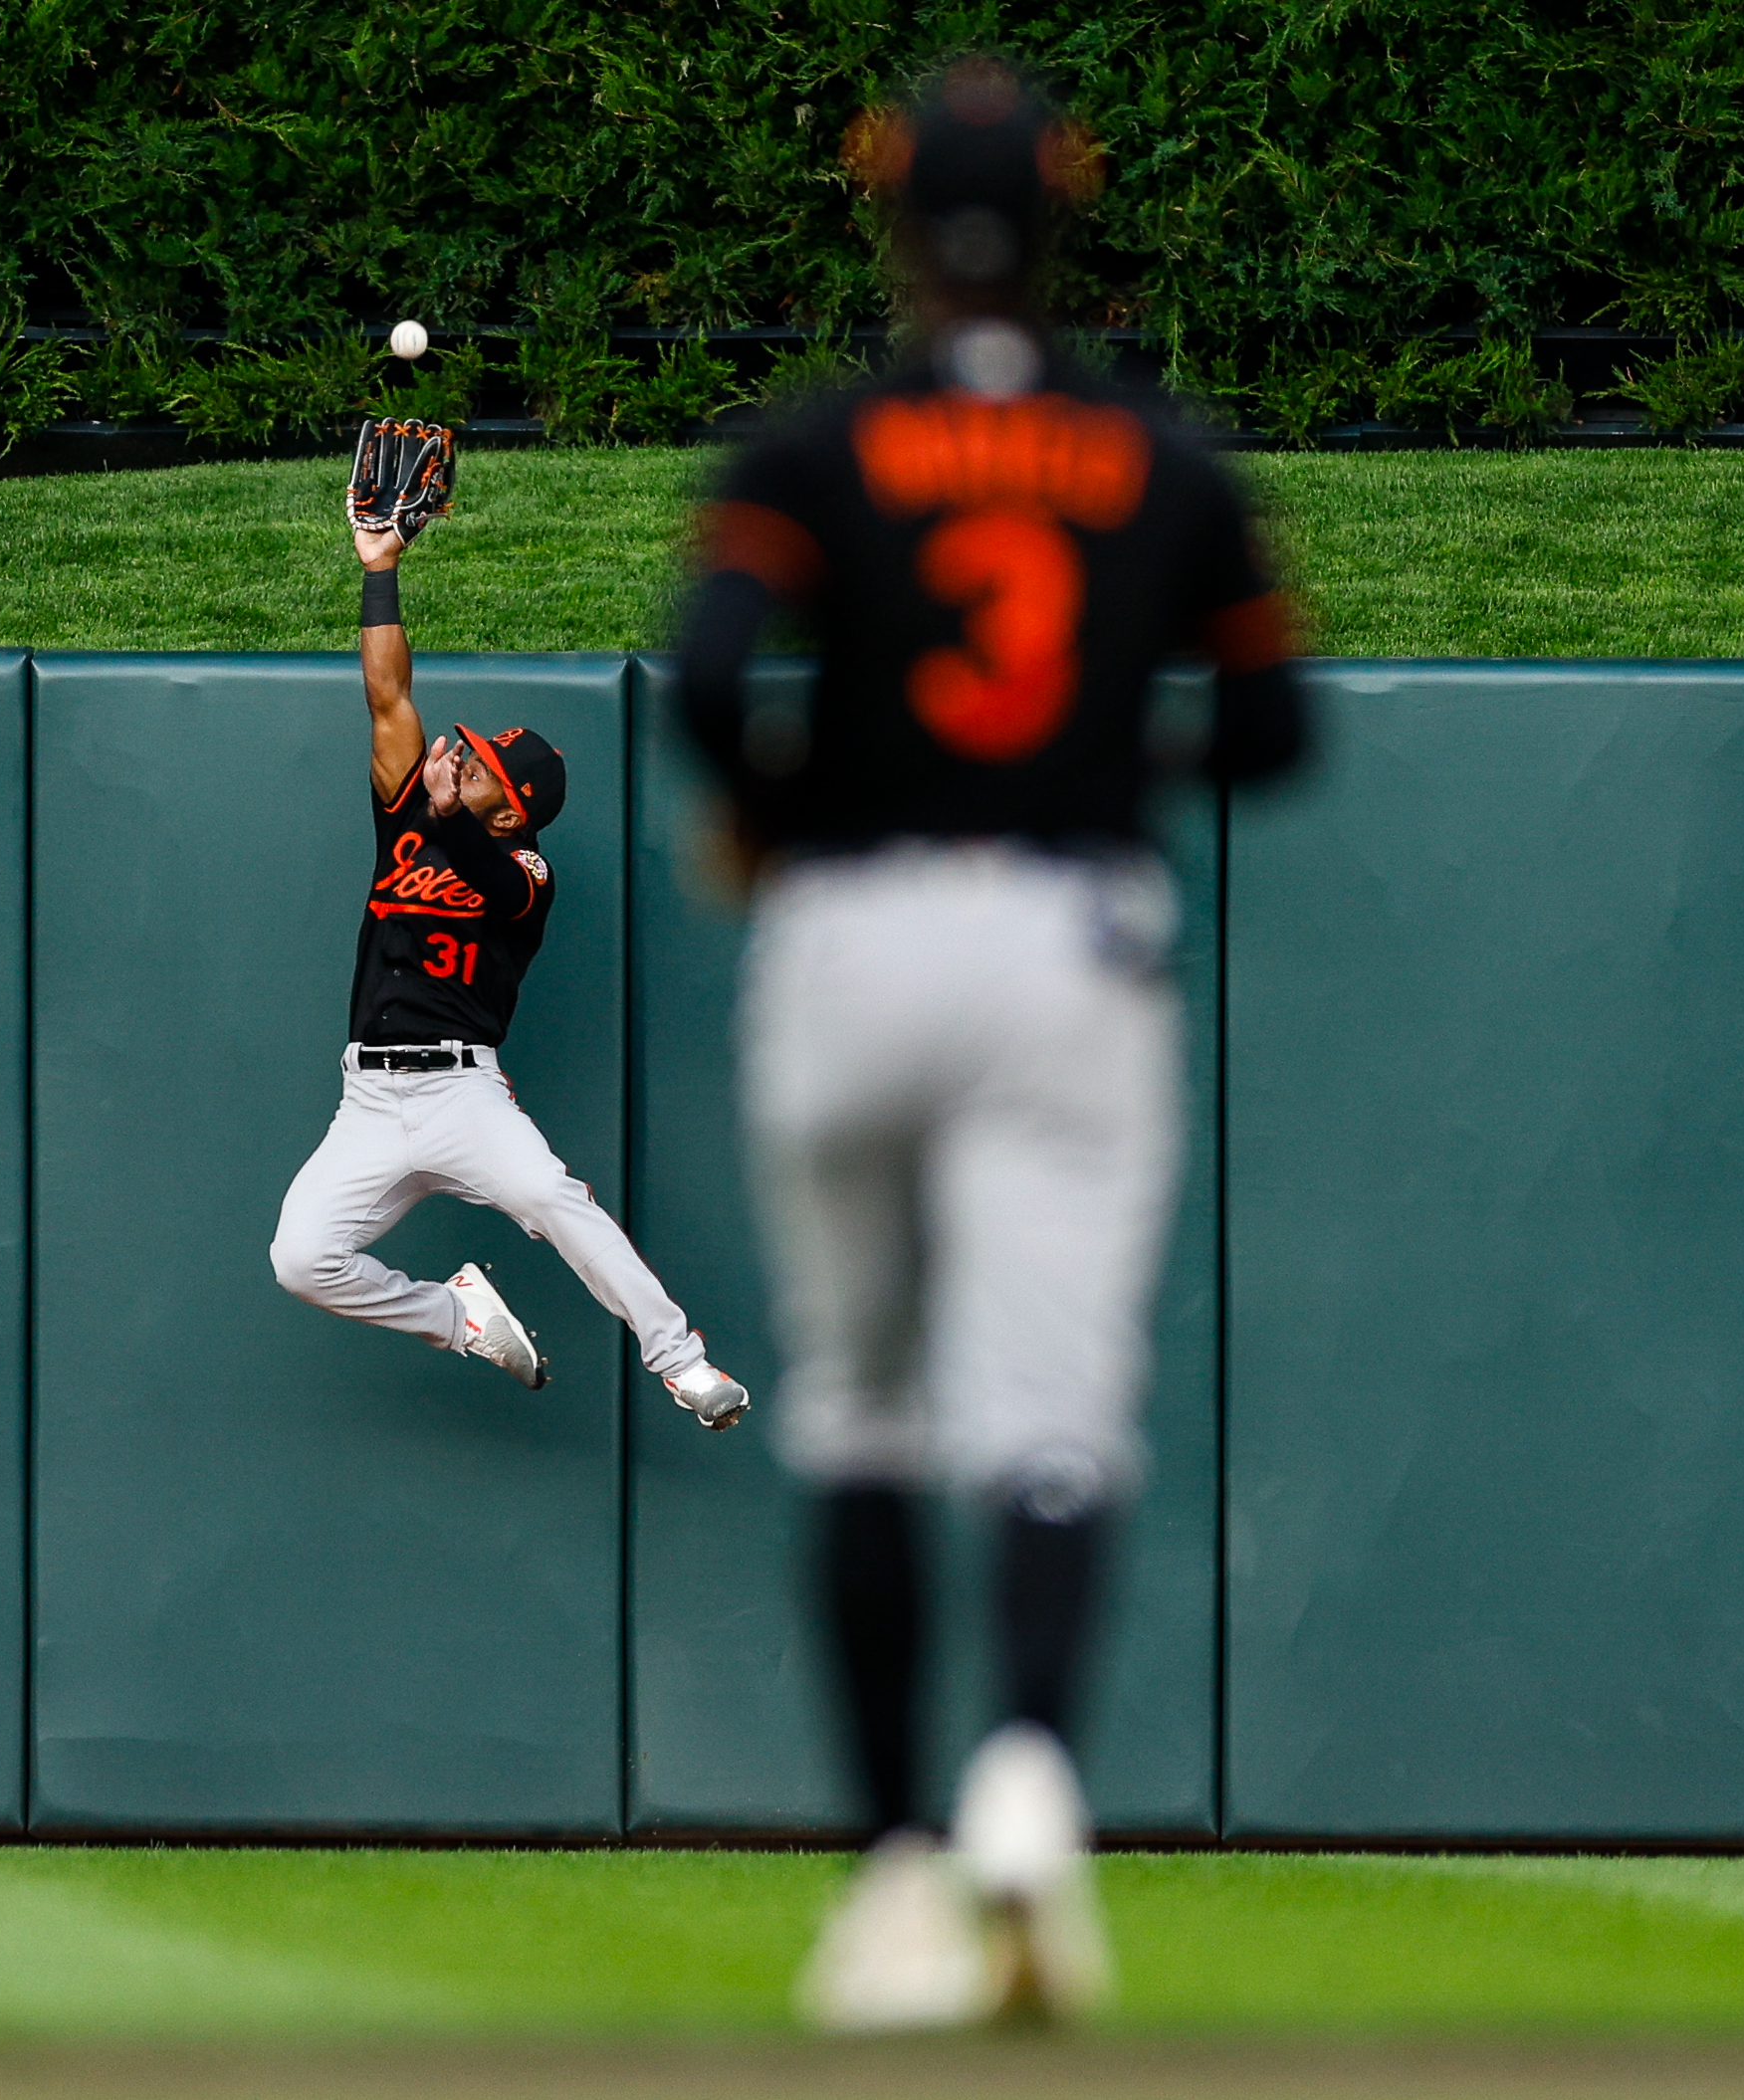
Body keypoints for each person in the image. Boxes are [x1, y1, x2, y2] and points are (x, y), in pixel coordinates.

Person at [673, 59, 1313, 2028]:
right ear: (1059, 215)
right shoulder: (1161, 458)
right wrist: (1108, 754)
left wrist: (786, 799)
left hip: (849, 925)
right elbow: (1282, 734)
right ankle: (1024, 1765)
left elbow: (701, 677)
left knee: (861, 1400)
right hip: (1063, 926)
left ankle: (887, 1882)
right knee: (1050, 1411)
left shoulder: (812, 443)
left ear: (886, 219)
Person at [270, 423, 752, 1434]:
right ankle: (458, 1317)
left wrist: (449, 814)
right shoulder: (413, 813)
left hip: (461, 1093)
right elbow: (388, 692)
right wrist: (379, 570)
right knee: (301, 1260)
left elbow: (485, 873)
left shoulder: (525, 871)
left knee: (558, 1203)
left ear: (511, 805)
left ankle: (683, 1363)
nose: (463, 752)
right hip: (368, 1095)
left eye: (483, 761)